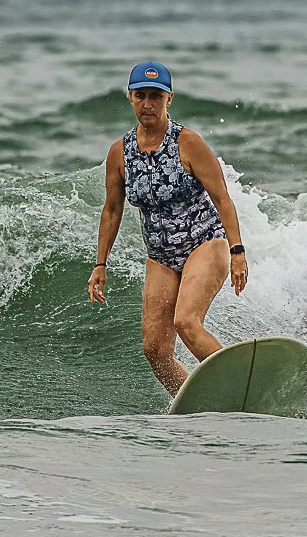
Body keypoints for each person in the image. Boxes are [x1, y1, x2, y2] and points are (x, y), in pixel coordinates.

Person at [88, 60, 248, 395]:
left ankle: (243, 386)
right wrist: (100, 264)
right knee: (155, 350)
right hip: (161, 256)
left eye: (155, 96)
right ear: (131, 98)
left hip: (205, 242)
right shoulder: (120, 152)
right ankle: (197, 398)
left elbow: (222, 197)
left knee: (186, 322)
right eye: (141, 96)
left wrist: (237, 252)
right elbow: (112, 210)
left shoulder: (188, 143)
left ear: (169, 98)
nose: (148, 104)